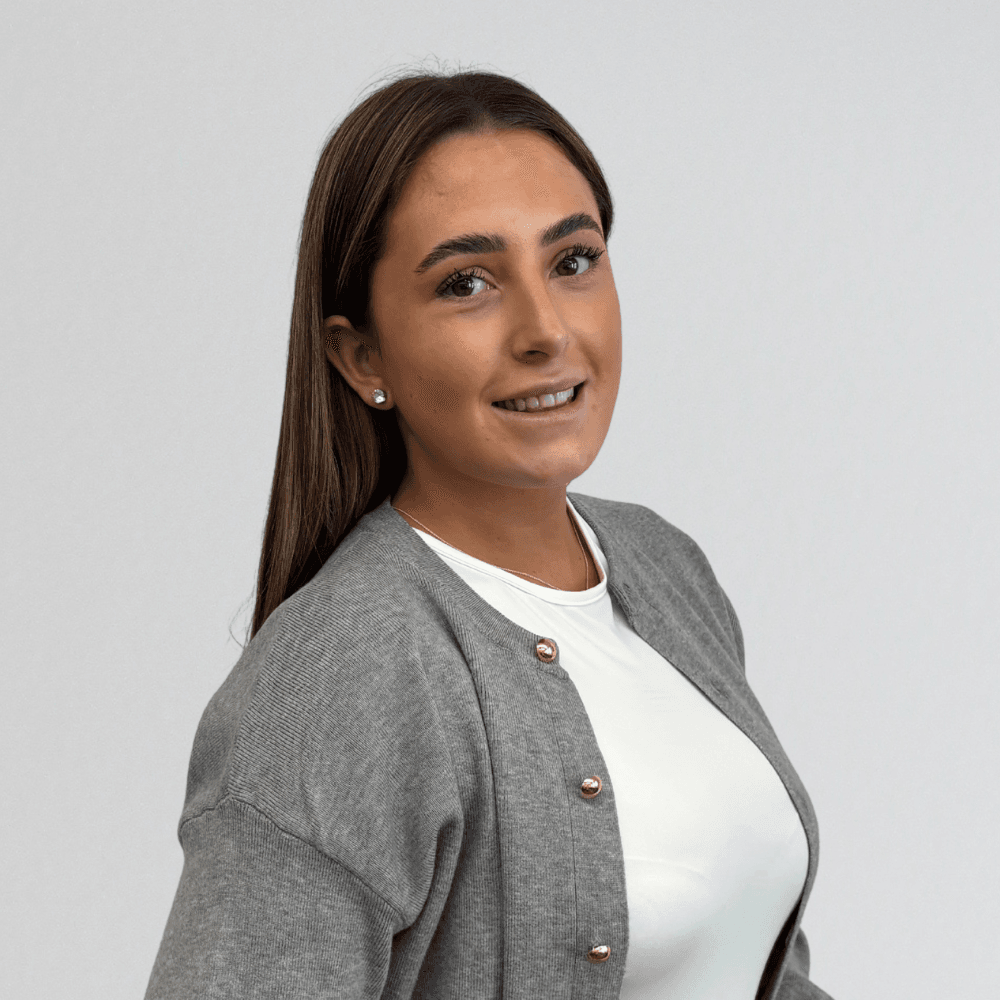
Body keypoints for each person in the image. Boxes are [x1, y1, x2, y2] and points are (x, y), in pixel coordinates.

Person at [145, 69, 834, 1000]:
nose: (545, 331)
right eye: (466, 283)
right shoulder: (347, 667)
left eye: (573, 261)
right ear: (362, 356)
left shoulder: (663, 566)